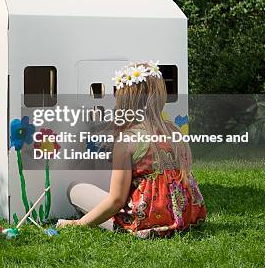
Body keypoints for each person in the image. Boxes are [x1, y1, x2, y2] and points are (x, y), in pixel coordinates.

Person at [56, 61, 207, 238]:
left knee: (76, 189)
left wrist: (78, 224)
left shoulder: (127, 140)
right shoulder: (174, 130)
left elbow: (116, 200)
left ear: (124, 100)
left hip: (145, 220)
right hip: (184, 217)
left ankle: (90, 219)